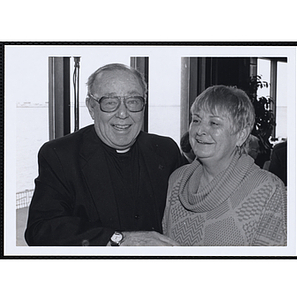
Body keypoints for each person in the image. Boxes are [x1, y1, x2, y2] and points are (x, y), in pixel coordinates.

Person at [25, 63, 185, 246]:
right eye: (110, 103)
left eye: (133, 101)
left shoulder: (165, 150)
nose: (123, 113)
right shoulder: (60, 155)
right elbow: (41, 230)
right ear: (91, 108)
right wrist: (119, 240)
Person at [162, 85, 287, 246]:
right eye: (196, 120)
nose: (200, 130)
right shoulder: (177, 180)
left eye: (214, 123)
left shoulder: (267, 190)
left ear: (241, 135)